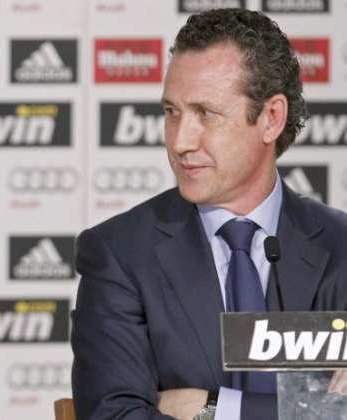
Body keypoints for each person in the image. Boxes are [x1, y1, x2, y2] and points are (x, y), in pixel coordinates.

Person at [71, 8, 347, 420]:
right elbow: (114, 415)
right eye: (172, 112)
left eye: (205, 113)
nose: (180, 141)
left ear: (271, 118)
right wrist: (314, 409)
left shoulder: (341, 247)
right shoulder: (119, 254)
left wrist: (215, 408)